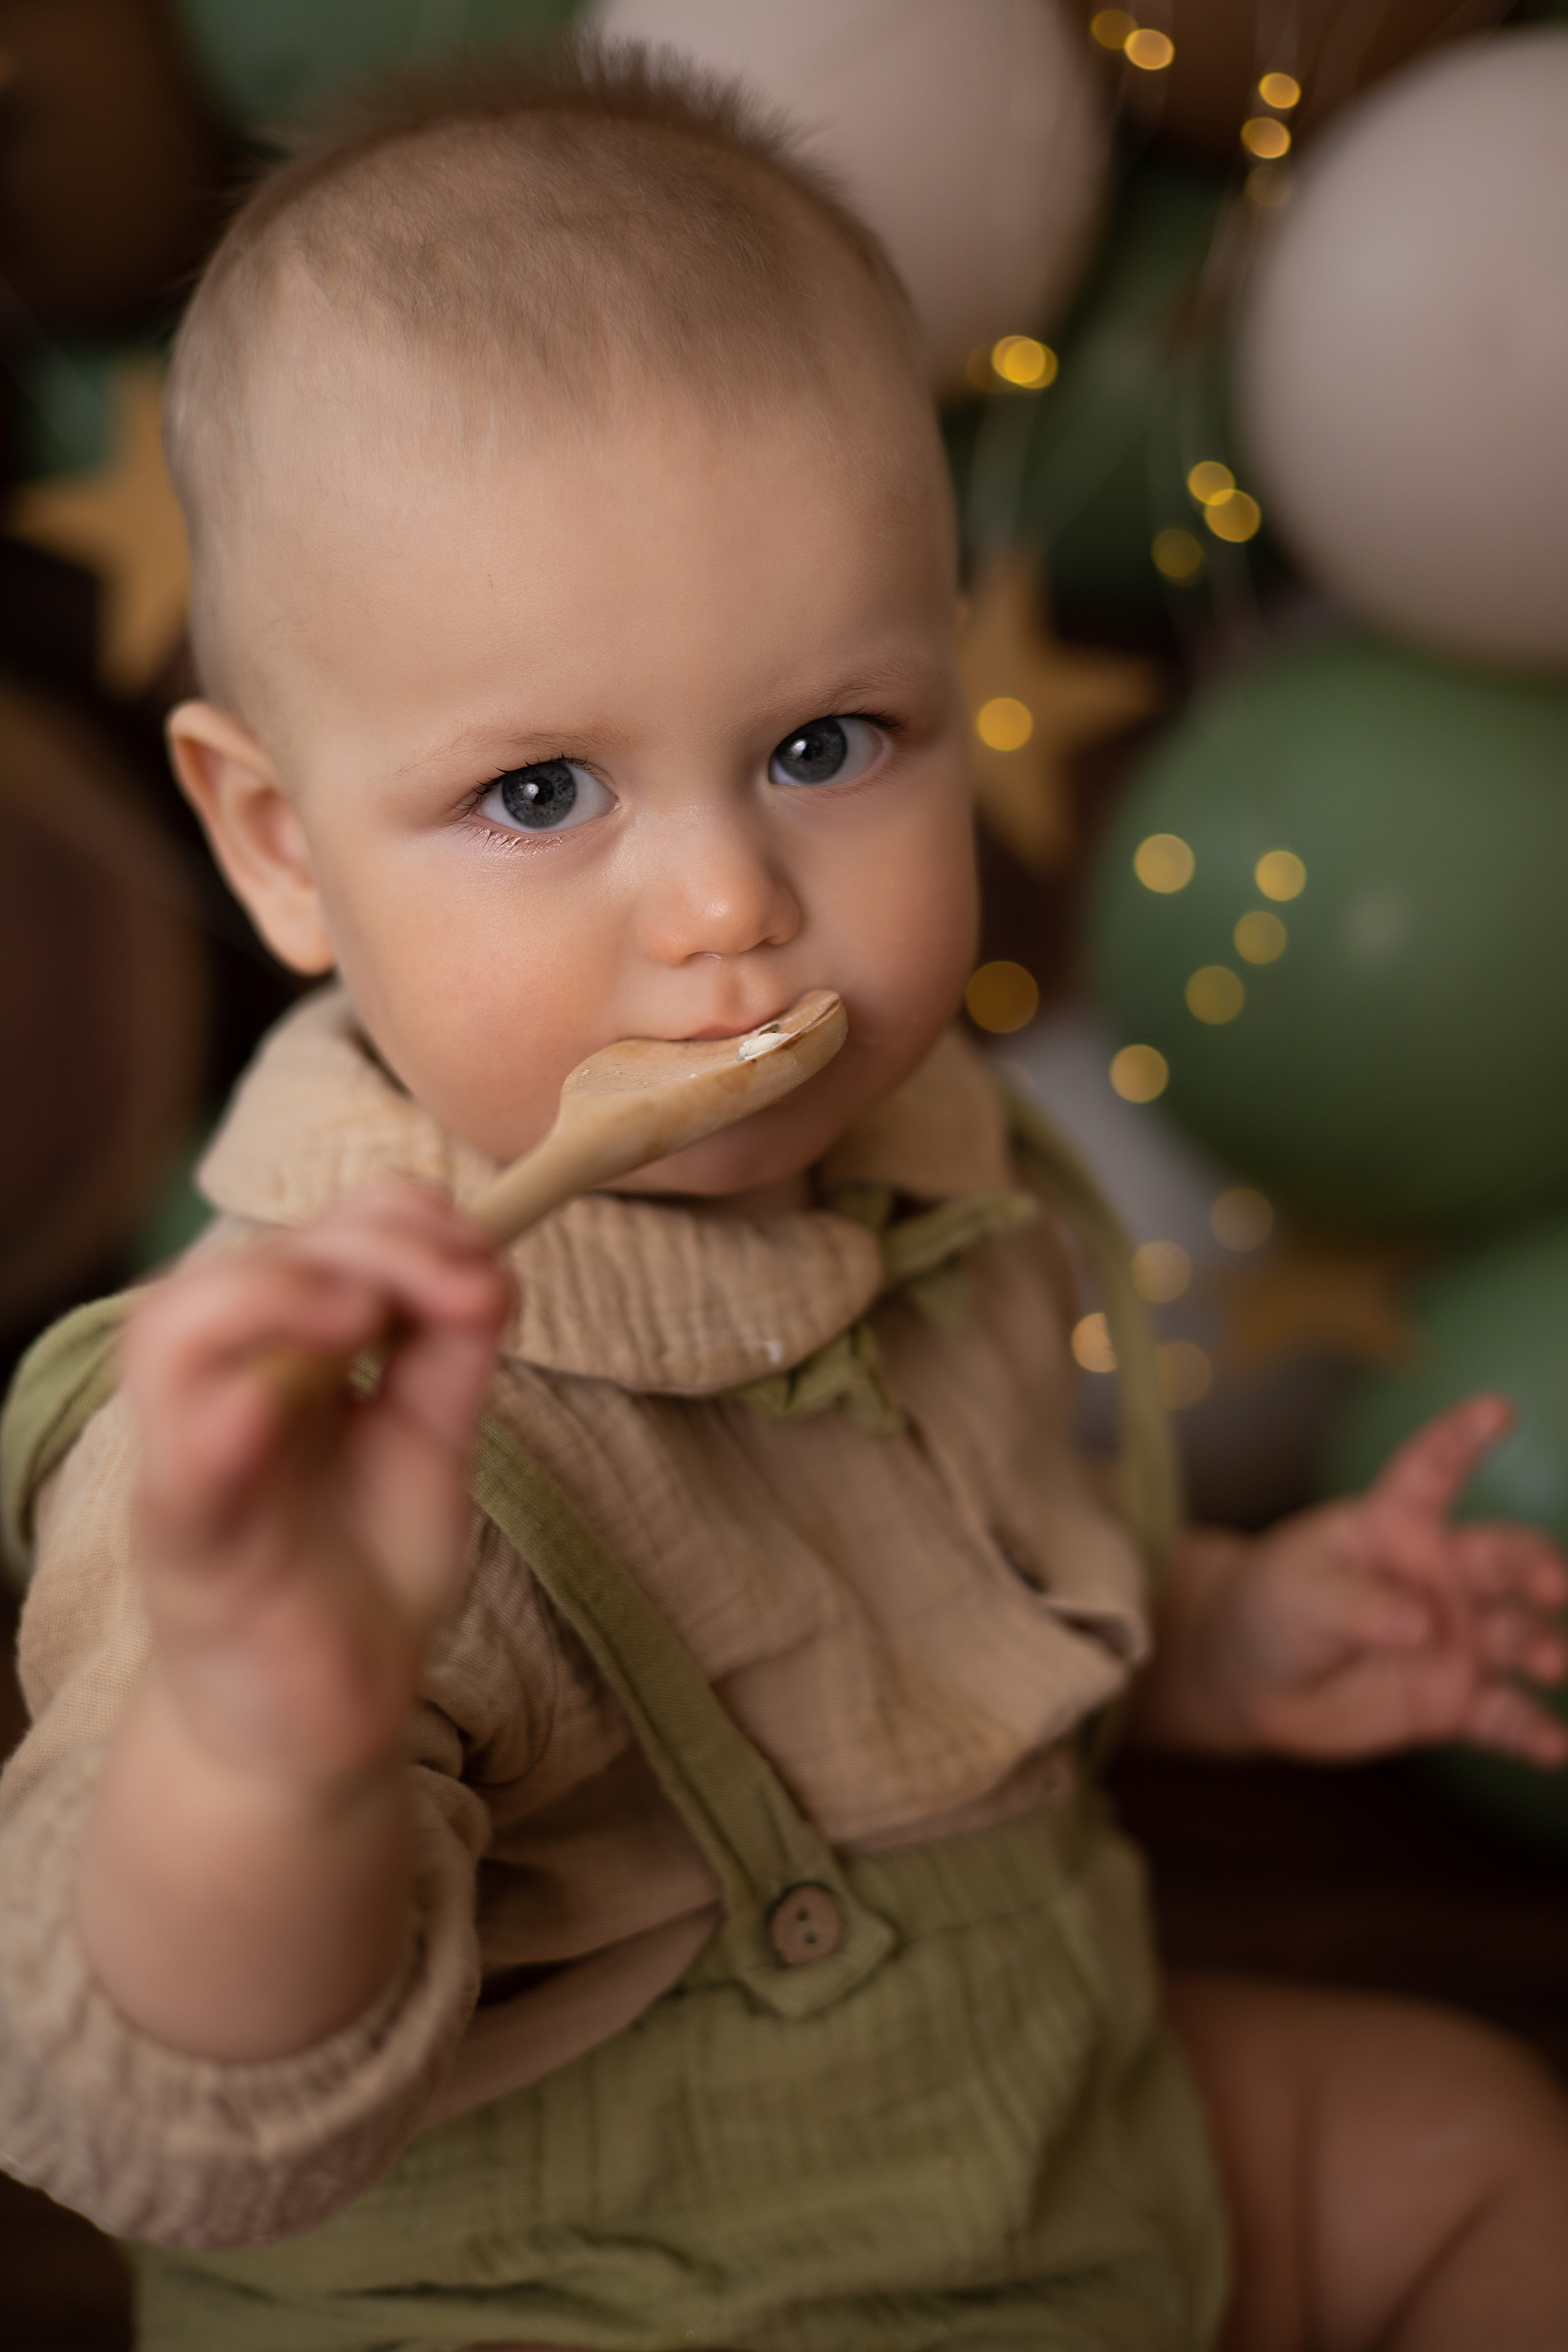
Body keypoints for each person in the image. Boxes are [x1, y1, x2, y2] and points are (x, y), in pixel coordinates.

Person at [4, 41, 1568, 2352]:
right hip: (589, 2287)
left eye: (827, 746)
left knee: (1470, 2149)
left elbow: (946, 1618)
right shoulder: (278, 1453)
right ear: (278, 847)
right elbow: (151, 2102)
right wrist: (267, 1747)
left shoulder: (947, 1176)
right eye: (543, 791)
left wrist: (1230, 1636)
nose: (732, 901)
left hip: (1039, 2123)